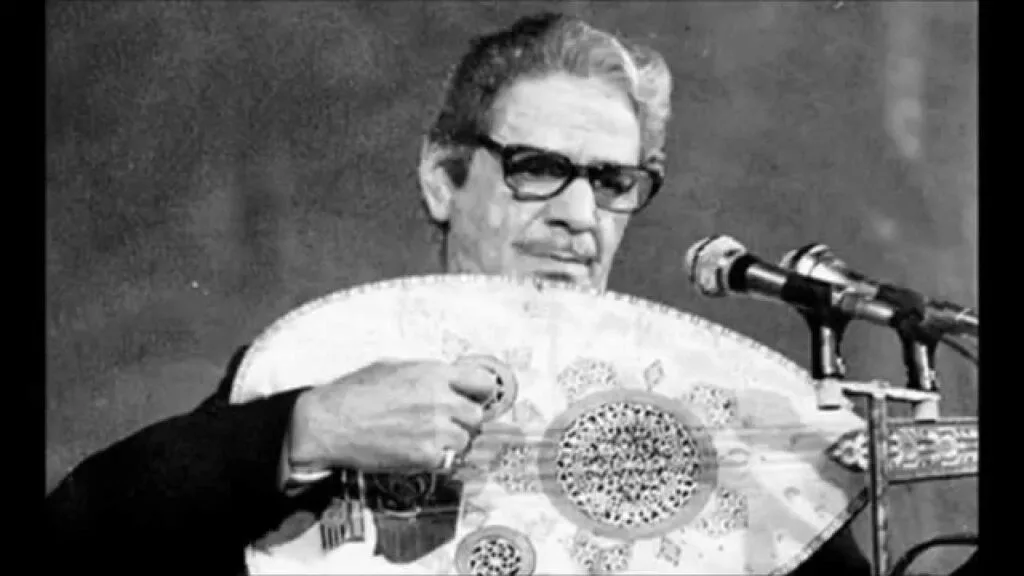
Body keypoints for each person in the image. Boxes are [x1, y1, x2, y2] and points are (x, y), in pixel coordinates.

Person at [46, 12, 872, 575]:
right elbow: (77, 539)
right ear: (444, 180)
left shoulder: (697, 420)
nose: (580, 216)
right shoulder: (332, 366)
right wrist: (308, 429)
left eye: (612, 182)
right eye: (538, 168)